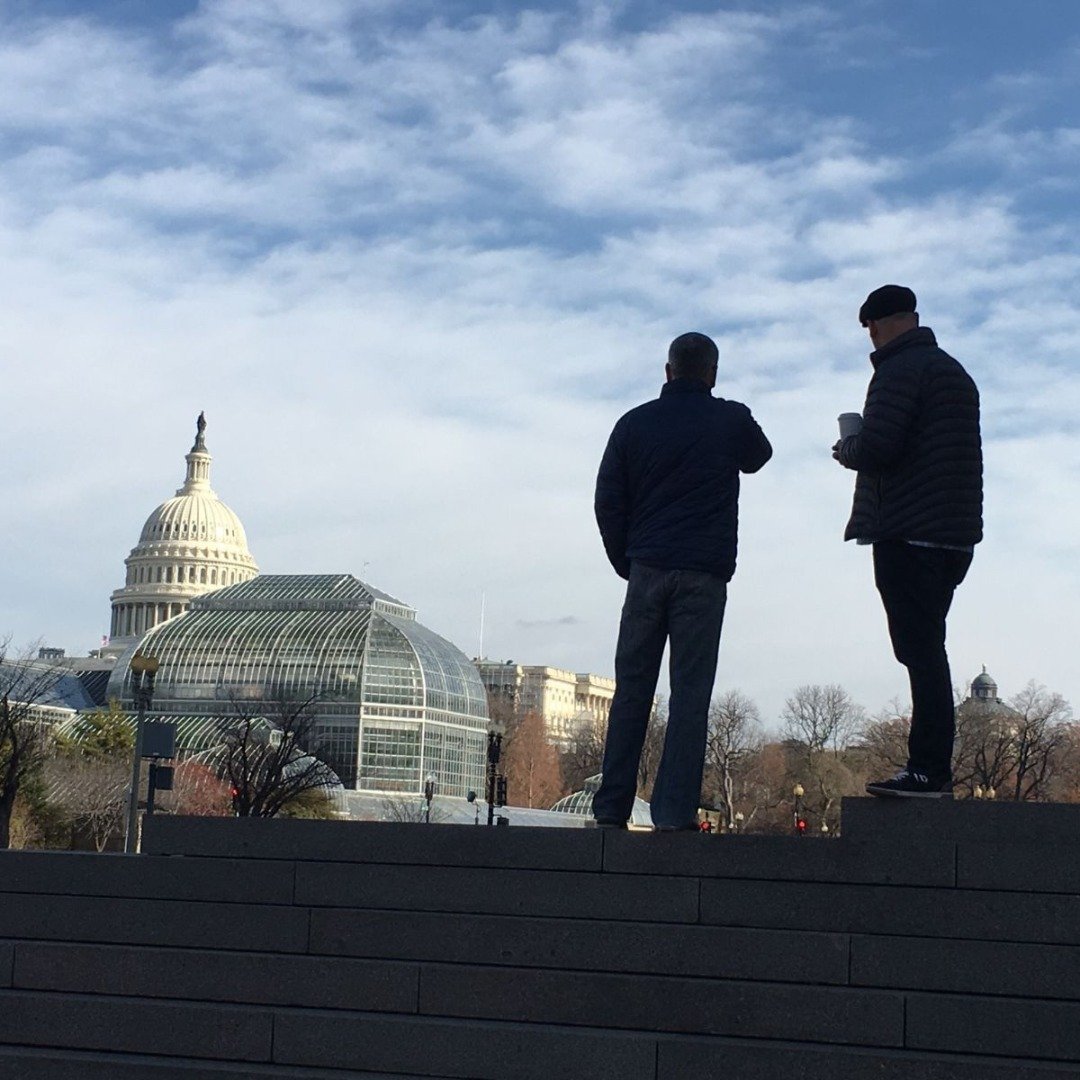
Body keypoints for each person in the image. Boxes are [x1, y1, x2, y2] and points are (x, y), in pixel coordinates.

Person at [592, 332, 772, 830]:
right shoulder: (730, 419)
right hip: (703, 575)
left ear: (667, 371)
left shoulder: (633, 423)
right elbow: (760, 455)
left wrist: (627, 561)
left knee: (632, 691)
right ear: (712, 373)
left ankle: (611, 807)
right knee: (690, 694)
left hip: (646, 569)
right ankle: (672, 815)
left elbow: (607, 500)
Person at [834, 285, 982, 798]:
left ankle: (928, 769)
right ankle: (929, 767)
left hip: (907, 531)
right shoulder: (954, 372)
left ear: (885, 322)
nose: (870, 338)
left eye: (870, 327)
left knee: (920, 652)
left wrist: (848, 446)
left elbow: (879, 447)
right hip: (952, 537)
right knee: (927, 647)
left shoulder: (898, 370)